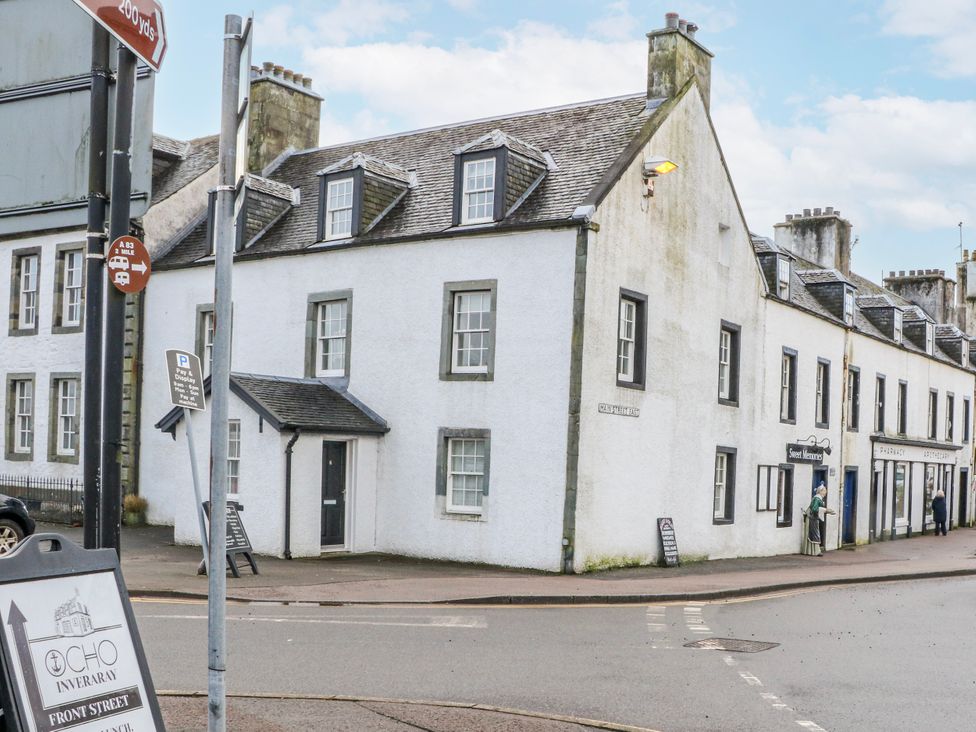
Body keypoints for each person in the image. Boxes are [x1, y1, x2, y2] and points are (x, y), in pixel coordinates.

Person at [809, 484, 835, 555]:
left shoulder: (818, 498)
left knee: (816, 533)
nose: (825, 492)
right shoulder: (817, 499)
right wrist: (826, 510)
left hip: (815, 518)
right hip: (813, 518)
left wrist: (826, 511)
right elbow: (814, 509)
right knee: (815, 534)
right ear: (820, 491)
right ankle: (816, 551)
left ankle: (815, 550)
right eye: (824, 490)